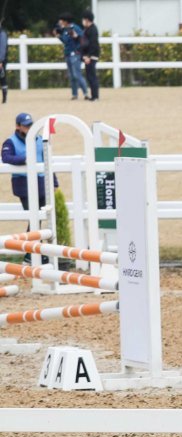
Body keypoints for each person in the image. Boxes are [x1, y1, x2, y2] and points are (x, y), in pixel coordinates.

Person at [2, 113, 56, 260]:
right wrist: (25, 159)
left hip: (41, 183)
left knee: (38, 218)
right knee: (34, 217)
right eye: (26, 125)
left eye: (30, 124)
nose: (29, 127)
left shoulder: (39, 140)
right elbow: (6, 157)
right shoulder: (10, 141)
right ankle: (32, 252)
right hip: (23, 185)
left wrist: (54, 181)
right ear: (18, 126)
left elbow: (47, 161)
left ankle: (31, 252)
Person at [53, 13, 88, 101]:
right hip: (68, 54)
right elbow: (66, 42)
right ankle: (74, 94)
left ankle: (86, 93)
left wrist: (75, 35)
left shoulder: (74, 27)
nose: (59, 22)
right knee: (72, 75)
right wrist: (58, 36)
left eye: (61, 20)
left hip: (75, 53)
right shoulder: (64, 30)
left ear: (65, 21)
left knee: (77, 74)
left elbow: (81, 38)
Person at [79, 12, 100, 102]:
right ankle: (93, 95)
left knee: (92, 76)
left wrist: (88, 56)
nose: (82, 21)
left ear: (87, 20)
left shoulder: (93, 30)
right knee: (89, 75)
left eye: (83, 19)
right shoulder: (88, 29)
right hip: (88, 55)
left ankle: (95, 96)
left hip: (91, 56)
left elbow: (93, 44)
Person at [0, 25, 8, 104]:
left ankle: (4, 98)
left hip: (1, 60)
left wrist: (0, 61)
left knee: (2, 78)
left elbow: (2, 48)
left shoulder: (2, 34)